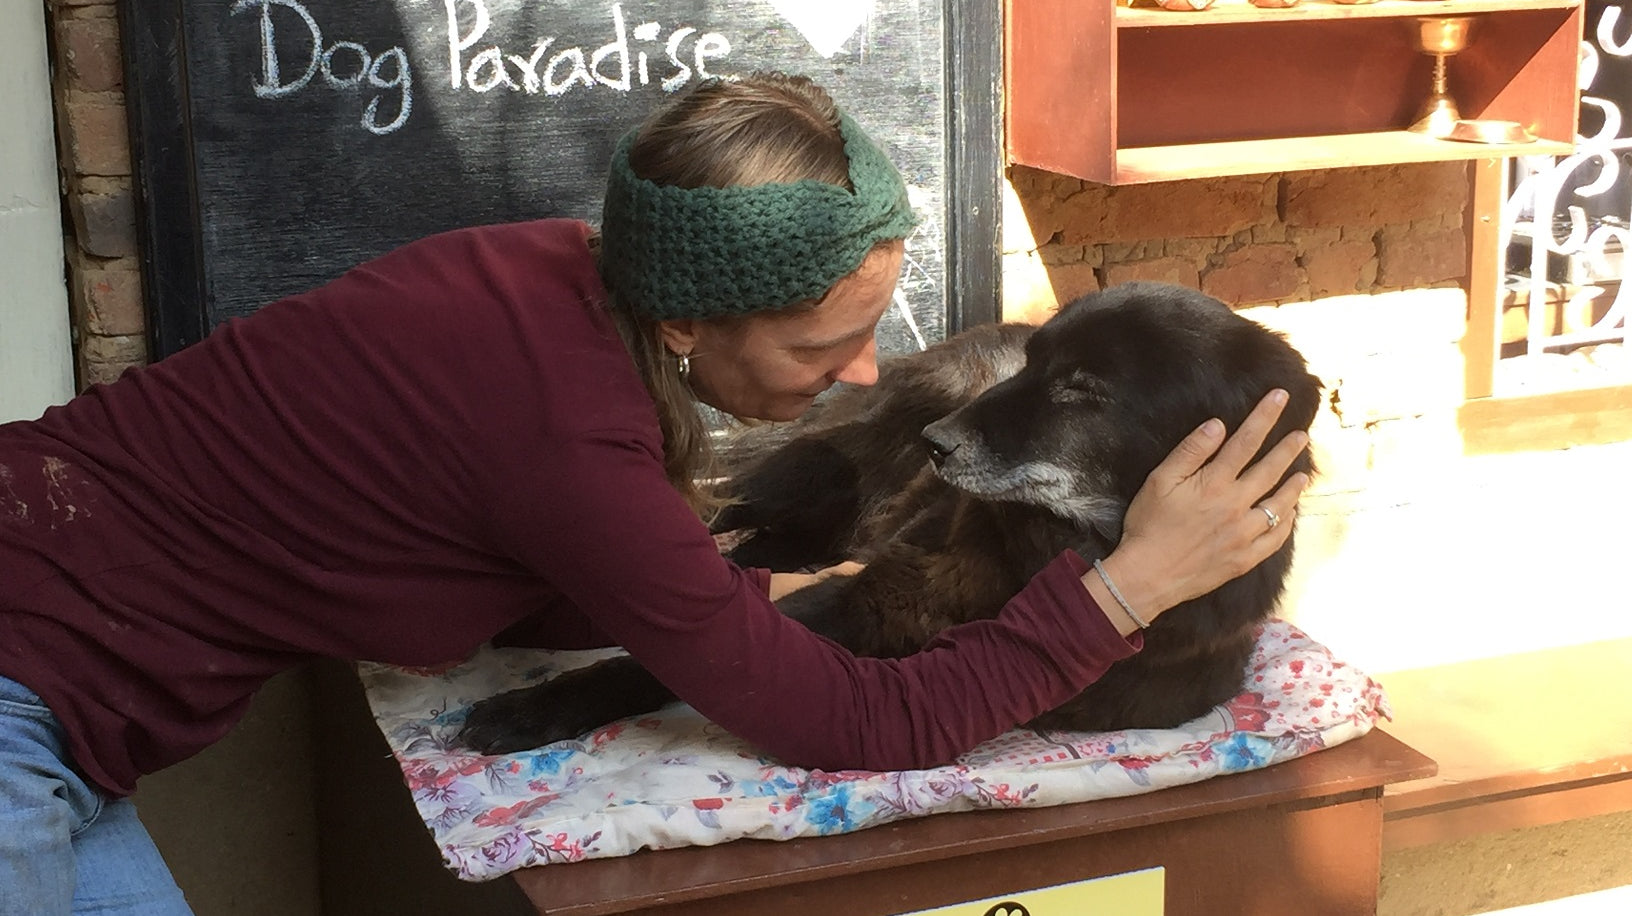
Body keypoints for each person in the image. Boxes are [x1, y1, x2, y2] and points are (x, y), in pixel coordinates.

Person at [0, 72, 1308, 914]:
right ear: (689, 318)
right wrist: (1126, 590)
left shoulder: (544, 276)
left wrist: (745, 588)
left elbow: (498, 555)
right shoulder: (565, 440)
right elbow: (856, 723)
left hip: (72, 710)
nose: (862, 373)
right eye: (817, 347)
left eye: (870, 329)